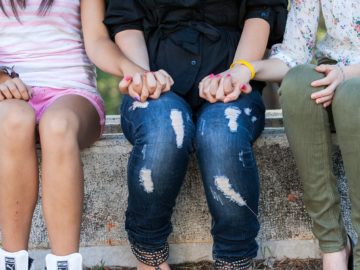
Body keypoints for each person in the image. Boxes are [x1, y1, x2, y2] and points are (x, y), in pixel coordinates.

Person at [87, 1, 288, 269]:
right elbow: (127, 22)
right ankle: (150, 256)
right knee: (164, 128)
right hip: (154, 79)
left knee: (221, 132)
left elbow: (260, 12)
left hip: (233, 79)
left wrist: (234, 75)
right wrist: (144, 78)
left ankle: (235, 261)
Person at [203, 0, 360, 269]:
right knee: (299, 81)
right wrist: (247, 70)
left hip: (350, 85)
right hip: (335, 77)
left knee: (352, 95)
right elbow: (292, 55)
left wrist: (346, 74)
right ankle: (333, 245)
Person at [0, 0, 105, 269]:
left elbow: (97, 41)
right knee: (13, 120)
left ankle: (65, 263)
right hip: (10, 93)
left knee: (57, 126)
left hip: (72, 91)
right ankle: (12, 261)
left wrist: (132, 71)